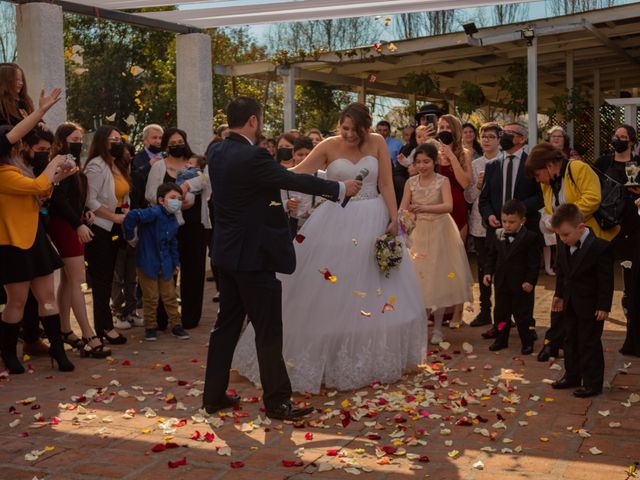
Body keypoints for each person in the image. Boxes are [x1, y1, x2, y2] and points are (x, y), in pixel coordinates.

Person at [230, 101, 427, 396]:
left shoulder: (377, 143)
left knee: (374, 290)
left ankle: (368, 360)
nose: (347, 134)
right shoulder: (327, 146)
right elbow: (295, 172)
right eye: (343, 128)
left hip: (373, 219)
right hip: (335, 220)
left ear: (365, 128)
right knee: (332, 288)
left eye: (353, 129)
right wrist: (258, 173)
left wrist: (392, 218)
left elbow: (386, 183)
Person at [203, 96, 361, 420]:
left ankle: (213, 395)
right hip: (254, 257)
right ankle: (278, 402)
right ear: (252, 121)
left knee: (226, 327)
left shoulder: (215, 151)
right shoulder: (252, 156)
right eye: (259, 119)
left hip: (227, 254)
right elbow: (290, 179)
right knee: (269, 330)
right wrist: (340, 188)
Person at [0, 87, 76, 373]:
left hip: (35, 240)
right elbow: (36, 187)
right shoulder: (4, 174)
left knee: (47, 299)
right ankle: (8, 354)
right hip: (12, 244)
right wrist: (54, 165)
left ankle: (59, 353)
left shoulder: (21, 169)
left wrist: (58, 176)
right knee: (16, 302)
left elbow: (40, 195)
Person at [525, 142, 615, 361]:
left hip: (588, 240)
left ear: (549, 165)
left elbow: (592, 200)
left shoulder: (578, 169)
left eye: (538, 174)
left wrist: (561, 220)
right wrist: (551, 221)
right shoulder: (548, 183)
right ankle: (554, 342)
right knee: (562, 293)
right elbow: (549, 209)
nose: (539, 180)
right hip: (566, 242)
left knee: (582, 295)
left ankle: (579, 347)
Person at [47, 122, 111, 358]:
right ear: (62, 140)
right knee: (78, 279)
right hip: (63, 226)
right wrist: (78, 223)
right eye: (74, 138)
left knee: (67, 279)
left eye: (80, 138)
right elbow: (59, 201)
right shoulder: (60, 163)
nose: (79, 142)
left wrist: (85, 213)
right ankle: (88, 333)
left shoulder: (73, 162)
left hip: (72, 221)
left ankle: (65, 329)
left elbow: (73, 198)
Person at [399, 141, 473, 345]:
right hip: (418, 233)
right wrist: (403, 223)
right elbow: (403, 209)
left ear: (434, 162)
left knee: (438, 278)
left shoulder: (442, 181)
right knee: (419, 279)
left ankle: (438, 327)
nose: (422, 166)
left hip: (441, 231)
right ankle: (421, 325)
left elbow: (448, 206)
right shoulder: (410, 183)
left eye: (426, 161)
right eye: (418, 162)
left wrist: (424, 208)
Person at [479, 122, 543, 339]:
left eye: (508, 134)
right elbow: (485, 198)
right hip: (498, 231)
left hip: (525, 233)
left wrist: (518, 213)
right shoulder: (492, 165)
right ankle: (500, 326)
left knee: (525, 282)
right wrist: (489, 215)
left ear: (521, 139)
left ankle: (528, 327)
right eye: (502, 133)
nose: (503, 136)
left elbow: (540, 197)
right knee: (500, 282)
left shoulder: (532, 165)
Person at [146, 128, 210, 330]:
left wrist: (186, 188)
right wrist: (170, 203)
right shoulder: (159, 167)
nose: (176, 145)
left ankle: (191, 317)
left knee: (193, 271)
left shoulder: (196, 165)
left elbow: (206, 183)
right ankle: (164, 317)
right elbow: (150, 195)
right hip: (167, 226)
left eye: (180, 141)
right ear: (166, 145)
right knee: (166, 271)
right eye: (172, 143)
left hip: (194, 227)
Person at [550, 204, 613, 398]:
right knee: (570, 340)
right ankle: (572, 375)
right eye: (559, 235)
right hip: (570, 301)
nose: (562, 239)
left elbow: (606, 280)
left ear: (581, 227)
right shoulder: (563, 243)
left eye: (566, 235)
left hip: (591, 305)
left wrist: (604, 306)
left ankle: (593, 382)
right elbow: (562, 272)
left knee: (589, 342)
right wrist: (559, 294)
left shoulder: (600, 247)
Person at [594, 125, 640, 357]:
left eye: (623, 137)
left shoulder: (638, 163)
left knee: (633, 287)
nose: (618, 140)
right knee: (600, 278)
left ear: (632, 141)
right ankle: (591, 336)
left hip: (632, 229)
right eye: (616, 136)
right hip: (606, 227)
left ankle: (633, 339)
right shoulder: (602, 162)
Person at [123, 182, 189, 342]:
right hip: (147, 262)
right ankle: (150, 327)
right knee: (150, 297)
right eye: (172, 198)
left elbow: (173, 243)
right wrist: (131, 237)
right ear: (161, 200)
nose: (177, 201)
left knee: (170, 296)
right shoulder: (153, 213)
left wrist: (176, 263)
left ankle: (176, 325)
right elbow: (132, 216)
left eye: (180, 199)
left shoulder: (173, 220)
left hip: (166, 263)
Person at [84, 125, 130, 345]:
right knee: (101, 281)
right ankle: (104, 327)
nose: (117, 142)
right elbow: (89, 200)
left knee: (109, 277)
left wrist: (123, 211)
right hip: (100, 228)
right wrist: (114, 217)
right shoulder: (96, 166)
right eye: (113, 139)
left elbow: (121, 195)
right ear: (102, 142)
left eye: (119, 138)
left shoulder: (116, 165)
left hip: (114, 228)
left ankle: (105, 325)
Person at [483, 199, 540, 354]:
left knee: (523, 316)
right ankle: (501, 339)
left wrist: (530, 281)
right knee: (501, 314)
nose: (507, 225)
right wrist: (488, 272)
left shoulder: (530, 237)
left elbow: (534, 263)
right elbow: (491, 256)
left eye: (512, 222)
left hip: (521, 285)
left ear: (523, 220)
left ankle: (527, 341)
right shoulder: (497, 234)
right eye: (504, 221)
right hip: (501, 283)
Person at [464, 122, 502, 328]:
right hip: (479, 222)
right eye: (484, 136)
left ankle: (505, 312)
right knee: (483, 267)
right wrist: (478, 186)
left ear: (499, 139)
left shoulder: (505, 161)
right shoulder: (475, 164)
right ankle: (484, 310)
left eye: (491, 136)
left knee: (503, 267)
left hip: (502, 221)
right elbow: (468, 198)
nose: (486, 140)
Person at [436, 115, 471, 242]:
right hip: (436, 206)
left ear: (455, 130)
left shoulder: (464, 153)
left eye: (448, 127)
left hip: (457, 205)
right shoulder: (432, 153)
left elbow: (465, 183)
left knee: (457, 251)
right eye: (441, 127)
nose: (444, 130)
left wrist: (452, 157)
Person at [283, 136, 315, 235]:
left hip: (315, 223)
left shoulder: (322, 175)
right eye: (300, 154)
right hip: (292, 224)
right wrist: (286, 204)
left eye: (308, 154)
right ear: (293, 154)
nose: (304, 158)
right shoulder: (285, 176)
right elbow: (274, 201)